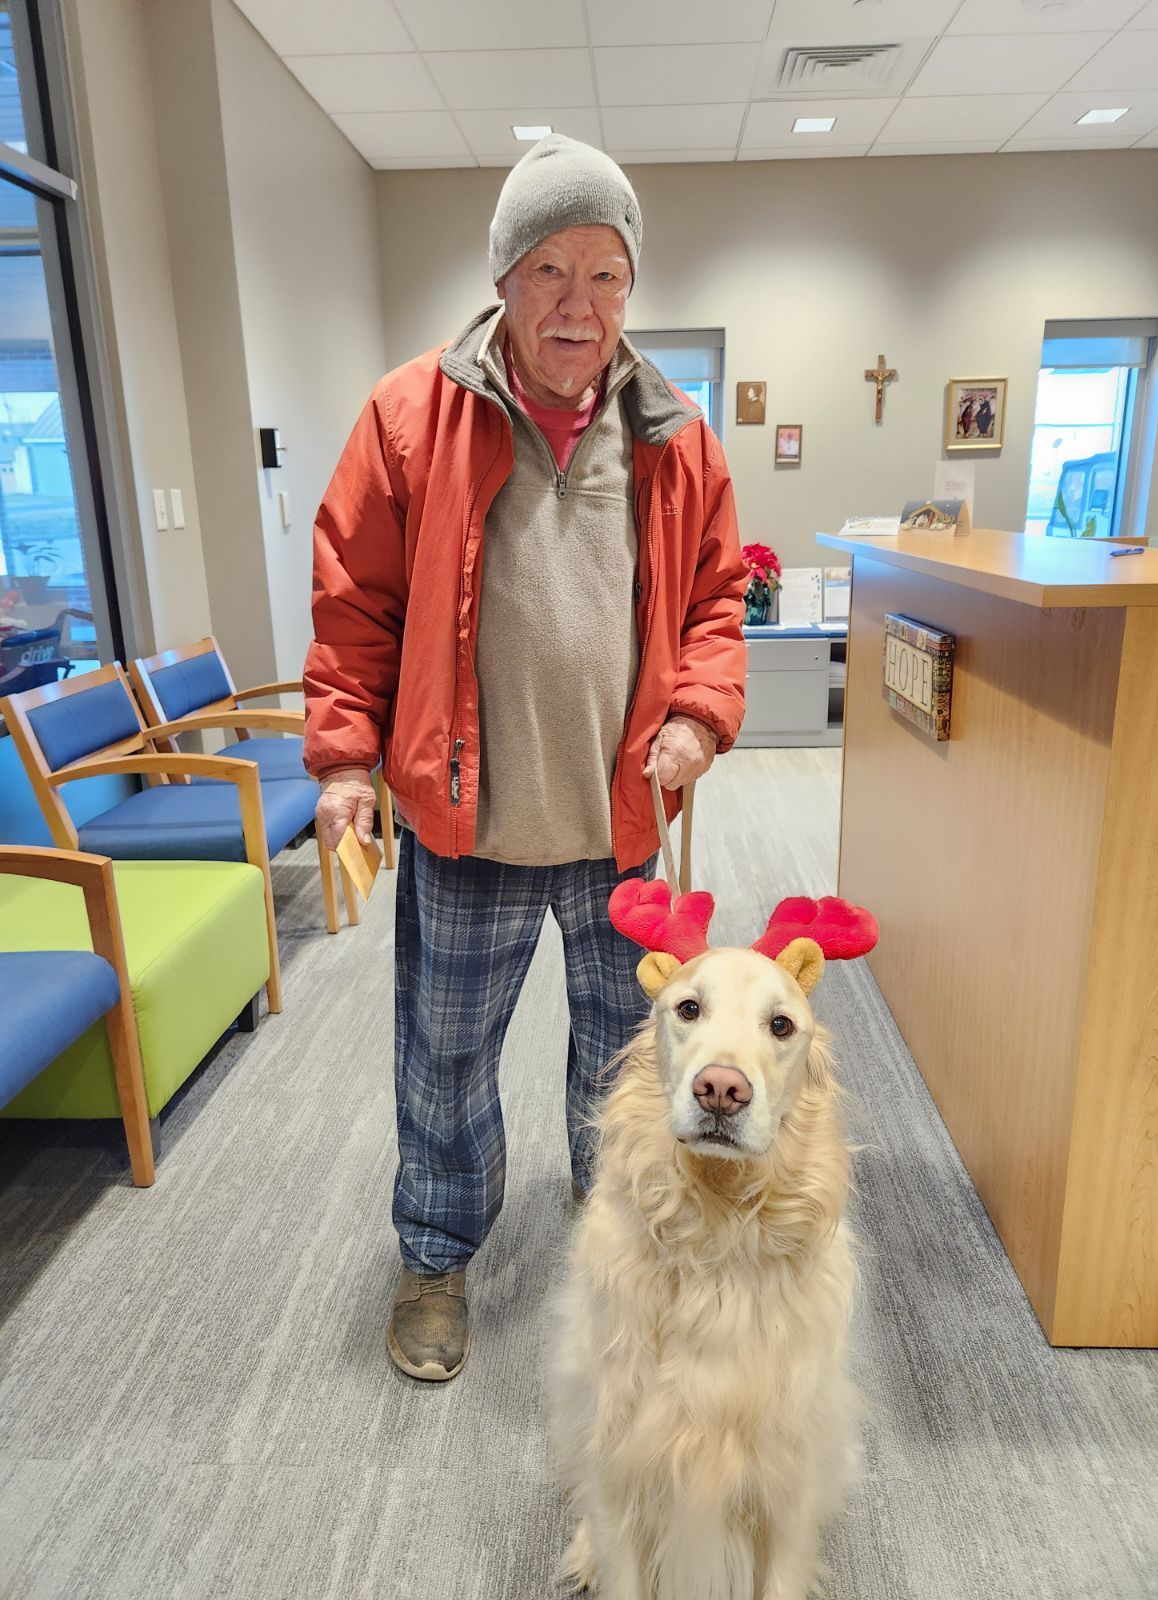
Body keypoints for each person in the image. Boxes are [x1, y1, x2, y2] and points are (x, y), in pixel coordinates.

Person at [303, 134, 747, 1383]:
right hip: (470, 827)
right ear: (502, 278)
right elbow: (356, 605)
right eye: (550, 268)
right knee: (444, 1061)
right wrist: (344, 756)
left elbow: (719, 596)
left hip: (620, 822)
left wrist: (699, 716)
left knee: (626, 1059)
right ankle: (438, 1252)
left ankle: (627, 1252)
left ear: (630, 289)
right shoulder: (409, 417)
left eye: (605, 274)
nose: (578, 302)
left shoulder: (673, 433)